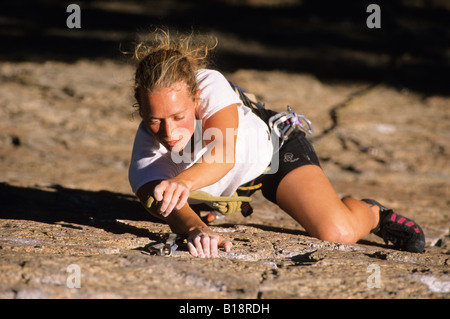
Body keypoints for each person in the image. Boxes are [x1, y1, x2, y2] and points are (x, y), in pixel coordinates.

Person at [128, 30, 425, 258]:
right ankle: (212, 204)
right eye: (154, 120)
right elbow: (164, 206)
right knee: (181, 197)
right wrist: (197, 230)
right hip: (212, 184)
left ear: (195, 97)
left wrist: (181, 183)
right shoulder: (145, 159)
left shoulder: (208, 84)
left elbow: (223, 154)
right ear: (141, 110)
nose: (169, 131)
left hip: (272, 152)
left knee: (338, 232)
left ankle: (373, 213)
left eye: (179, 116)